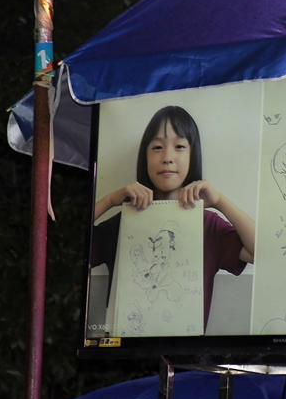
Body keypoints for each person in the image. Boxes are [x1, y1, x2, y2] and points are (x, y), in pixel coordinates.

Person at [90, 105, 255, 332]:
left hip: (183, 349)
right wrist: (110, 200)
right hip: (125, 347)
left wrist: (219, 201)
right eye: (157, 147)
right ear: (145, 157)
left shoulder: (207, 225)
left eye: (179, 147)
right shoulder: (124, 222)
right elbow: (73, 250)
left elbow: (261, 252)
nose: (167, 157)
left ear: (192, 155)